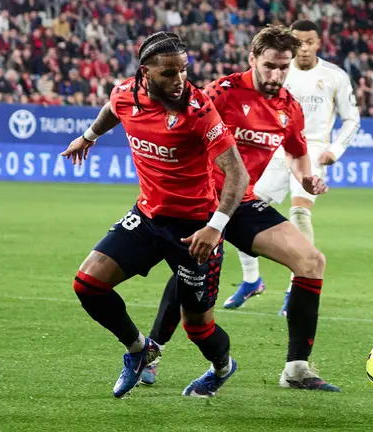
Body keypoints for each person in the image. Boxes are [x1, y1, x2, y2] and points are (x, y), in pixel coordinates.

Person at [140, 25, 339, 392]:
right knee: (189, 270)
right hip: (201, 201)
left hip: (242, 203)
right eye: (269, 66)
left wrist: (307, 178)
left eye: (284, 67)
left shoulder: (289, 107)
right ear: (252, 59)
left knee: (311, 261)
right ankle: (149, 356)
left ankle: (296, 369)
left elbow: (296, 153)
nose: (277, 75)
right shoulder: (222, 93)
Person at [60, 32, 249, 399]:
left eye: (184, 70)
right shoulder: (125, 94)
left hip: (197, 229)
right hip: (148, 218)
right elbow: (112, 110)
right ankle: (138, 349)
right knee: (88, 284)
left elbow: (237, 173)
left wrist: (216, 226)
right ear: (145, 73)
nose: (179, 81)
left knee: (198, 328)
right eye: (168, 73)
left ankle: (222, 367)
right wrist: (88, 136)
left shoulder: (198, 109)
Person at [227, 20, 360, 315]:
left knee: (300, 212)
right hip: (274, 146)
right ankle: (252, 280)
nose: (304, 48)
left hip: (309, 150)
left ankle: (295, 288)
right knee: (240, 208)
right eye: (298, 42)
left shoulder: (334, 76)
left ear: (318, 43)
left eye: (309, 42)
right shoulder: (278, 70)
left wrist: (334, 150)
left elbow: (352, 119)